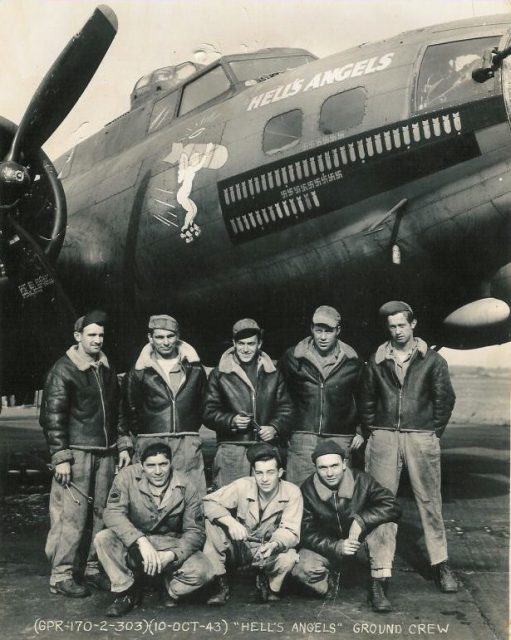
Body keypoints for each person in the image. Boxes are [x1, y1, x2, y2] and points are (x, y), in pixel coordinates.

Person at [361, 301, 458, 609]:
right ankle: (379, 577)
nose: (397, 331)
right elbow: (366, 400)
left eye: (402, 325)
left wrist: (431, 433)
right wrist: (375, 432)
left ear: (413, 324)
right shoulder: (376, 360)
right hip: (384, 437)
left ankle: (440, 564)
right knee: (381, 505)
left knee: (430, 502)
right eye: (392, 326)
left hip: (421, 437)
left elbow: (445, 399)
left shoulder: (433, 361)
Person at [40, 310, 131, 598]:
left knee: (102, 514)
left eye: (101, 335)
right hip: (77, 455)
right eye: (91, 334)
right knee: (71, 517)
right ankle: (61, 575)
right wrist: (61, 457)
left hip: (105, 454)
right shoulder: (63, 370)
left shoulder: (105, 368)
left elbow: (117, 412)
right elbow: (52, 417)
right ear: (78, 336)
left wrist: (124, 445)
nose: (97, 340)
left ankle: (92, 568)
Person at [95, 440, 214, 617]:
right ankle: (126, 590)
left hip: (169, 543)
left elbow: (195, 532)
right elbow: (112, 513)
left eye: (163, 464)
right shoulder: (126, 477)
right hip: (135, 543)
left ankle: (167, 585)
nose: (158, 471)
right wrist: (140, 541)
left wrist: (172, 555)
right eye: (151, 465)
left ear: (170, 463)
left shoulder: (186, 485)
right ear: (141, 465)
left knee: (205, 571)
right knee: (103, 538)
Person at [291, 440, 400, 612]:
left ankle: (378, 584)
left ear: (344, 464)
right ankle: (330, 583)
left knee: (386, 527)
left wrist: (361, 520)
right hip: (328, 549)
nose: (329, 473)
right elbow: (305, 532)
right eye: (323, 468)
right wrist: (337, 546)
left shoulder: (362, 480)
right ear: (316, 468)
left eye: (334, 466)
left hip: (360, 546)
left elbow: (392, 506)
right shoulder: (307, 490)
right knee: (301, 570)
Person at [203, 443, 303, 605]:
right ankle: (220, 584)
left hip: (267, 548)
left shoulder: (292, 492)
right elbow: (208, 503)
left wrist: (274, 545)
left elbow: (291, 531)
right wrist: (229, 522)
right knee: (212, 524)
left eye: (270, 472)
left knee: (289, 557)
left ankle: (268, 583)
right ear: (253, 473)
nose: (264, 479)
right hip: (240, 545)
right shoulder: (243, 484)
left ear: (280, 473)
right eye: (259, 473)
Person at [121, 315, 207, 497]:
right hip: (152, 440)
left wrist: (188, 428)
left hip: (186, 441)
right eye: (160, 337)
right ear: (150, 338)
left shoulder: (195, 369)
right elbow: (129, 407)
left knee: (191, 493)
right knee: (152, 496)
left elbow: (202, 404)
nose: (166, 342)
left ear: (178, 337)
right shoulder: (139, 372)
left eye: (170, 336)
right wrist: (145, 432)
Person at [279, 305, 365, 485]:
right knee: (299, 491)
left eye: (329, 331)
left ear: (338, 331)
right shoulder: (293, 357)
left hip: (341, 437)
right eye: (319, 331)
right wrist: (284, 429)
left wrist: (361, 430)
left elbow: (364, 398)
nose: (323, 337)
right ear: (311, 329)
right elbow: (280, 396)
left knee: (339, 493)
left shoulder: (353, 361)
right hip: (303, 436)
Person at [203, 319, 292, 487]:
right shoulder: (219, 374)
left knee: (266, 499)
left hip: (265, 448)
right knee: (231, 499)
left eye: (251, 343)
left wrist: (274, 427)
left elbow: (286, 407)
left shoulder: (273, 373)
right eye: (241, 343)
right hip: (232, 449)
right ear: (233, 343)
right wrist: (231, 420)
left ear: (260, 344)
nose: (245, 349)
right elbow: (208, 411)